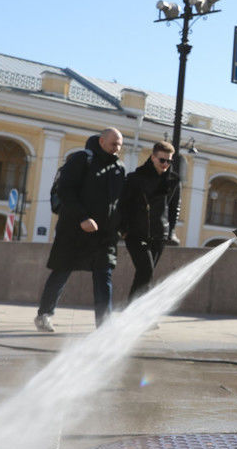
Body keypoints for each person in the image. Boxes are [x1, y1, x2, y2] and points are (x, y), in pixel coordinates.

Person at [34, 128, 125, 331]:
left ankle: (104, 324)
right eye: (114, 143)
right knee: (61, 272)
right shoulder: (82, 159)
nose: (117, 148)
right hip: (74, 230)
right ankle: (44, 315)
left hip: (104, 235)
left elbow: (119, 202)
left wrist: (120, 227)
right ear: (102, 141)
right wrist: (83, 217)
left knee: (104, 276)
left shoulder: (119, 168)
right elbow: (65, 190)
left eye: (120, 144)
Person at [120, 140, 179, 303]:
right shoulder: (135, 178)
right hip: (136, 234)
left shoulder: (173, 181)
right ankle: (133, 313)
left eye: (169, 161)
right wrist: (123, 230)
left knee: (145, 274)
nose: (166, 164)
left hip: (159, 234)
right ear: (153, 157)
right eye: (162, 160)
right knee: (146, 270)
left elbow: (174, 209)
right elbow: (123, 204)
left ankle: (136, 312)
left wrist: (170, 231)